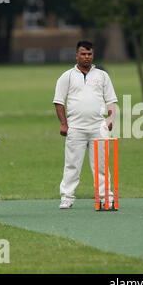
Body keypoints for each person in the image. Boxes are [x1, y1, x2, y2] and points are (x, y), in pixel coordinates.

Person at [53, 40, 118, 209]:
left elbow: (111, 100)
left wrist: (110, 120)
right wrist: (63, 124)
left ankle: (106, 197)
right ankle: (67, 196)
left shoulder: (102, 75)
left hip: (98, 127)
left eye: (89, 54)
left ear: (93, 55)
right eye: (83, 54)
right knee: (72, 164)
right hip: (76, 128)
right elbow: (59, 101)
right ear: (76, 55)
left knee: (102, 165)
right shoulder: (67, 76)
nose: (87, 57)